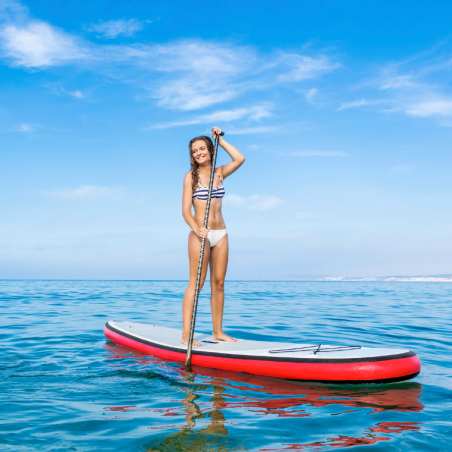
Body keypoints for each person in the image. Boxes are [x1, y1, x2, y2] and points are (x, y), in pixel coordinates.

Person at [181, 127, 245, 346]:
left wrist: (220, 139)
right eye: (194, 151)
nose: (198, 153)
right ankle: (186, 334)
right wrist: (196, 228)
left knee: (218, 284)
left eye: (202, 149)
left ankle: (217, 332)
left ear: (210, 149)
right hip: (200, 235)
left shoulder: (220, 173)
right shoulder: (190, 177)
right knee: (196, 284)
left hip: (221, 233)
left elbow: (240, 158)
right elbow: (185, 211)